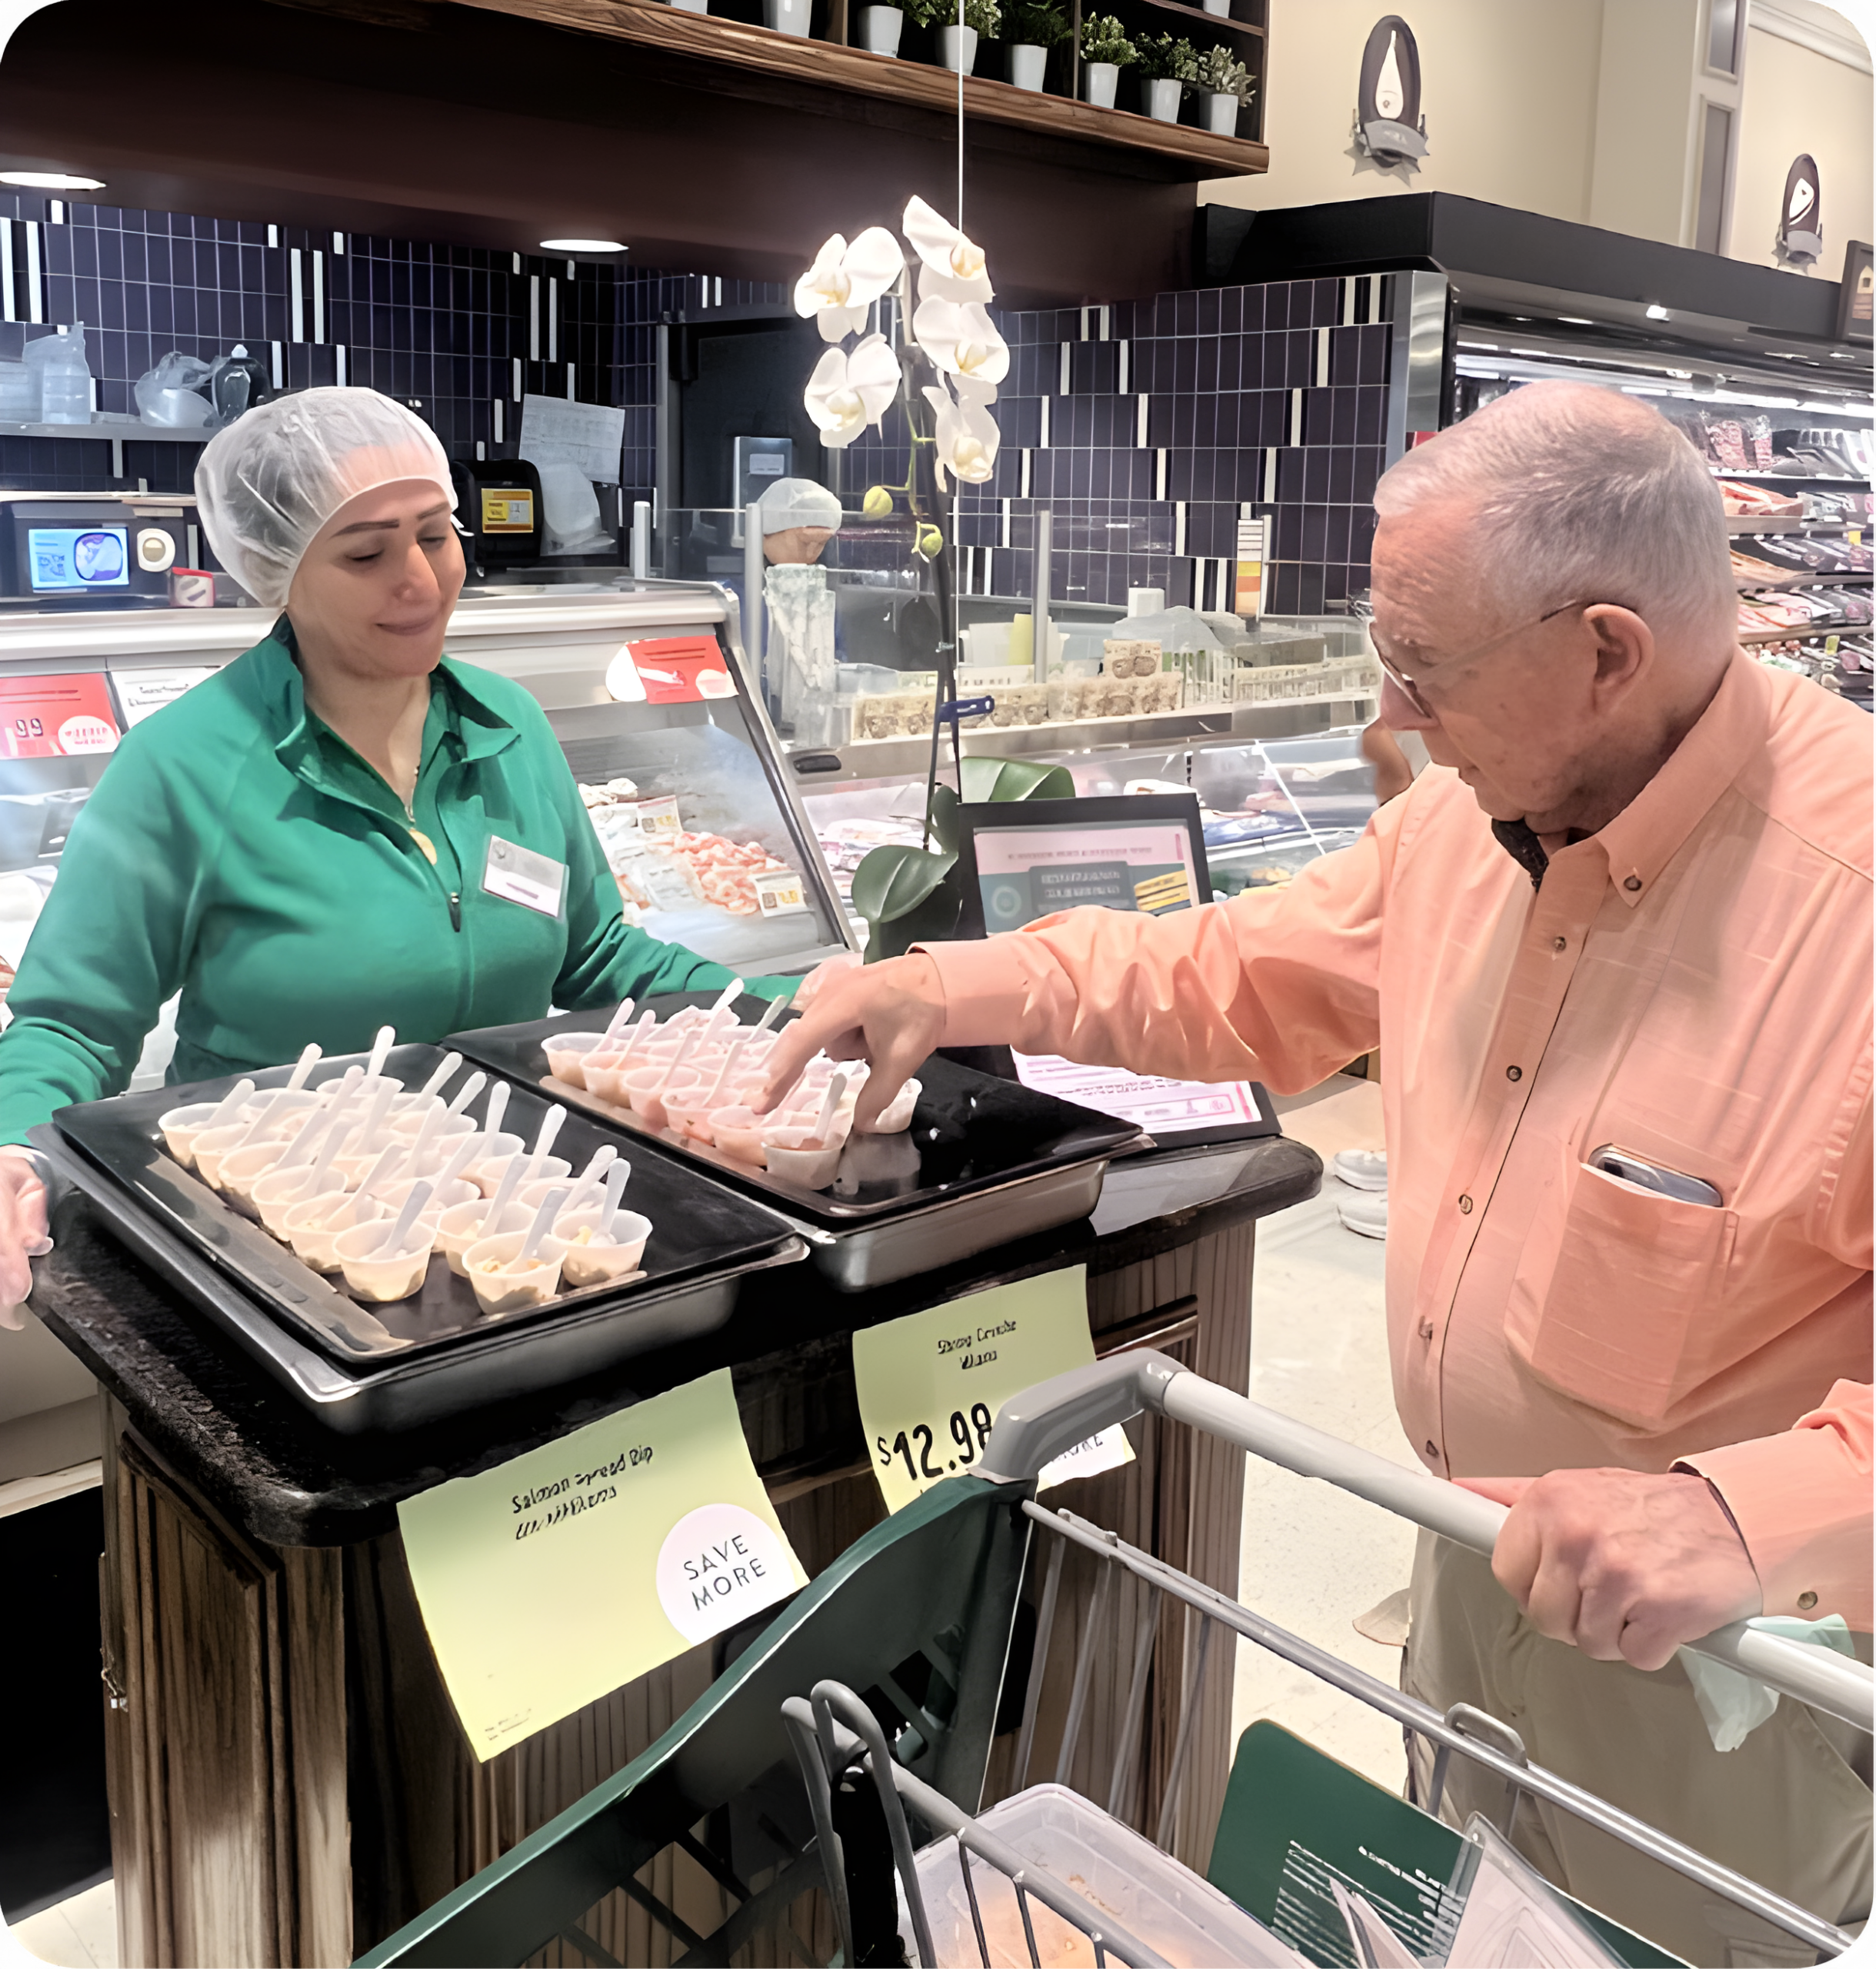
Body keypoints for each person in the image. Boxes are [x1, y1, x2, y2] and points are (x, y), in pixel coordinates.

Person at [761, 381, 1876, 1969]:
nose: (1394, 719)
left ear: (1608, 652)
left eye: (1426, 673)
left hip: (1733, 1671)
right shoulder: (1463, 831)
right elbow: (1224, 970)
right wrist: (954, 987)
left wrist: (1737, 1510)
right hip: (1467, 1570)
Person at [0, 387, 787, 1321]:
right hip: (269, 1242)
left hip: (503, 1222)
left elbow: (595, 954)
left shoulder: (511, 726)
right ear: (276, 571)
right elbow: (74, 1021)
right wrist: (13, 1151)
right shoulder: (183, 766)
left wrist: (779, 1018)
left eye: (437, 534)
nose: (419, 577)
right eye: (367, 552)